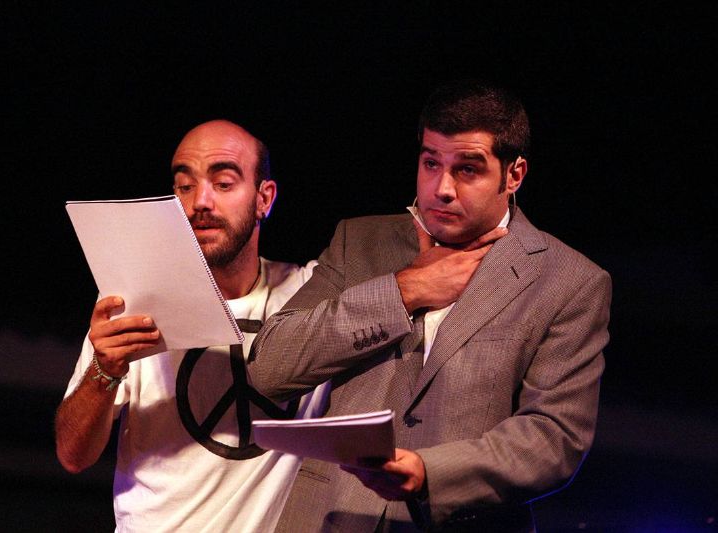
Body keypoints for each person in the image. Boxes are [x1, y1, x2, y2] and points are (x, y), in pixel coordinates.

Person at [248, 79, 612, 532]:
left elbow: (554, 439)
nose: (442, 188)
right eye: (431, 163)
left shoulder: (569, 281)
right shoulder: (359, 242)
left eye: (468, 169)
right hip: (332, 518)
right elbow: (269, 367)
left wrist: (429, 473)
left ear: (514, 174)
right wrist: (404, 291)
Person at [55, 120, 328, 532]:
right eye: (185, 186)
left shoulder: (311, 295)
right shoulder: (134, 297)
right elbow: (73, 455)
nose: (200, 201)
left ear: (264, 198)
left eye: (223, 183)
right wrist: (103, 370)